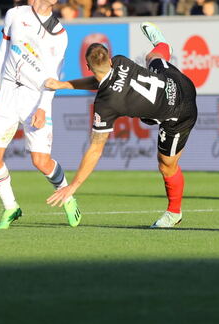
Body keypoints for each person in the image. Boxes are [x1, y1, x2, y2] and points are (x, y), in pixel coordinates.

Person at [45, 22, 197, 228]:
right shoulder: (120, 61)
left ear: (88, 67)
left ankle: (173, 213)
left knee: (166, 165)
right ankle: (161, 44)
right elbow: (102, 80)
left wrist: (73, 186)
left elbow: (95, 149)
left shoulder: (106, 104)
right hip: (180, 82)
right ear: (109, 59)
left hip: (179, 114)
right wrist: (64, 84)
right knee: (153, 58)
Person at [0, 0, 79, 229]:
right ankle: (11, 207)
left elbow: (54, 77)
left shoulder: (59, 33)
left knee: (41, 161)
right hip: (7, 93)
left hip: (35, 97)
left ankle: (67, 194)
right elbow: (2, 51)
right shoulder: (14, 15)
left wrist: (43, 107)